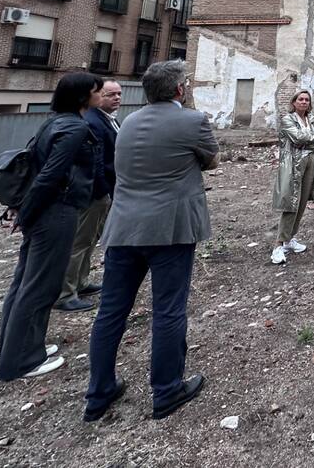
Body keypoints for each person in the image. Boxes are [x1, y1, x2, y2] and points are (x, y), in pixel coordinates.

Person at [83, 61, 219, 422]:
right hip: (170, 229)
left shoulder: (128, 122)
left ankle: (98, 392)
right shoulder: (193, 121)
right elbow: (212, 161)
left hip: (124, 228)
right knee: (168, 310)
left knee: (111, 311)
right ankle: (167, 390)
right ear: (180, 89)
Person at [0, 72, 103, 381]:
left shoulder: (53, 122)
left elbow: (34, 166)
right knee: (41, 286)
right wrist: (25, 213)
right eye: (96, 90)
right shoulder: (75, 128)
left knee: (25, 282)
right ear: (83, 96)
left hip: (45, 211)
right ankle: (21, 362)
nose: (100, 94)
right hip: (57, 211)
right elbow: (50, 175)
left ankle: (17, 350)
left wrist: (22, 209)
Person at [57, 80, 122, 310]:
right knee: (79, 241)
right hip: (94, 193)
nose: (116, 98)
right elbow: (96, 161)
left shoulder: (107, 120)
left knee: (90, 239)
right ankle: (65, 294)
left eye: (119, 94)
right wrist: (103, 191)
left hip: (102, 192)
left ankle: (81, 282)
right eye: (110, 94)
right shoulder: (93, 122)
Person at [271, 90, 314, 264]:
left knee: (302, 201)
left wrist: (313, 140)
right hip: (293, 164)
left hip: (310, 161)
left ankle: (290, 239)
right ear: (294, 102)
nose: (304, 102)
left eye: (307, 100)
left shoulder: (311, 119)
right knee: (291, 203)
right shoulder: (288, 119)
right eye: (300, 99)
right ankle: (278, 245)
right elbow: (297, 138)